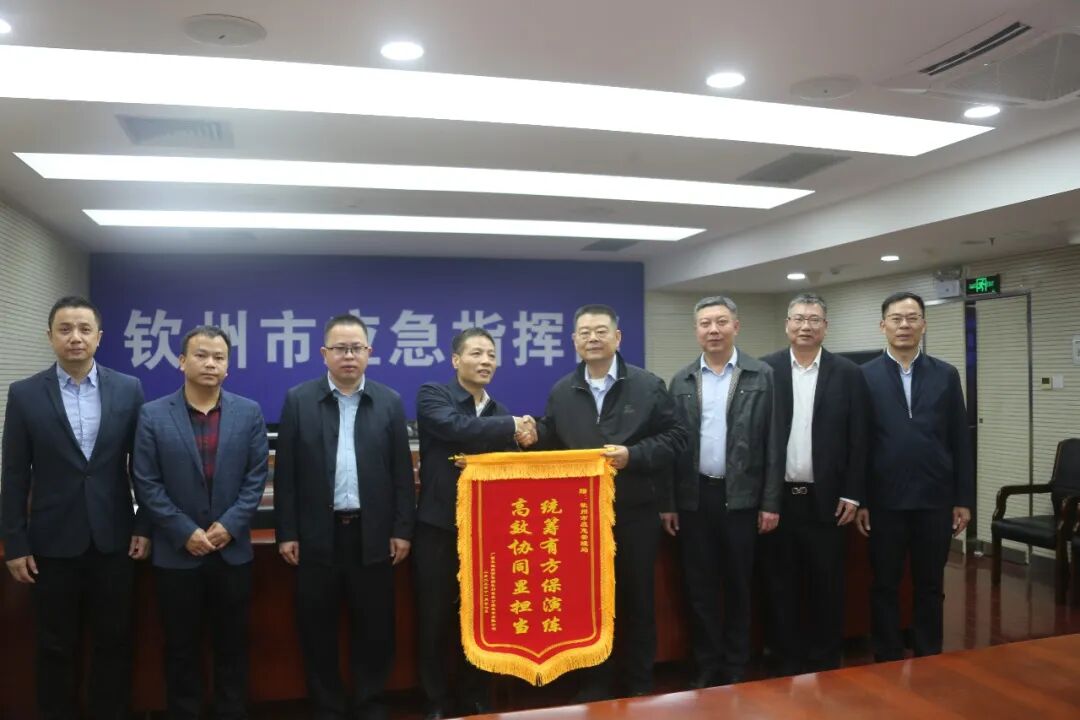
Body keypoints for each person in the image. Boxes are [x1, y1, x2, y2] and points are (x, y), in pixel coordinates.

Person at [1, 295, 150, 719]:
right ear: (49, 336)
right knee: (54, 646)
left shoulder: (128, 389)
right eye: (65, 329)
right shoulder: (25, 394)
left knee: (114, 643)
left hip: (114, 540)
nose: (75, 338)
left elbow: (143, 466)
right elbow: (14, 473)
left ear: (99, 337)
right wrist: (15, 541)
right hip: (51, 543)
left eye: (85, 329)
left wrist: (144, 525)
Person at [533, 303, 686, 700]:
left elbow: (676, 439)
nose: (593, 338)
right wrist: (529, 434)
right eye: (584, 333)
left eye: (601, 331)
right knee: (586, 602)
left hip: (634, 512)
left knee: (637, 599)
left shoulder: (647, 385)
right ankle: (593, 685)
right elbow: (552, 442)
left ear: (617, 337)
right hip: (579, 518)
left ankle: (639, 685)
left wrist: (633, 455)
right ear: (574, 341)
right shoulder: (562, 391)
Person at [273, 313, 416, 720]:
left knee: (375, 628)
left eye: (356, 348)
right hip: (317, 536)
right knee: (317, 629)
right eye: (340, 348)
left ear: (369, 352)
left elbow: (401, 473)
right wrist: (287, 532)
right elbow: (286, 475)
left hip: (372, 536)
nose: (349, 356)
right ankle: (327, 707)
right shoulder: (299, 400)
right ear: (324, 354)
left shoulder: (389, 401)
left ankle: (370, 703)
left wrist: (402, 529)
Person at [133, 325, 268, 719]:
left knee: (233, 646)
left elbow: (256, 477)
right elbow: (146, 481)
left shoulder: (249, 412)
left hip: (231, 553)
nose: (210, 363)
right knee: (181, 649)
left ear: (228, 367)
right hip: (177, 555)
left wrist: (230, 524)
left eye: (219, 357)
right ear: (182, 361)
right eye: (201, 355)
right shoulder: (153, 414)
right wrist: (183, 531)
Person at [413, 327, 536, 720]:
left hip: (487, 532)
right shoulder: (434, 395)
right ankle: (435, 701)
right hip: (438, 528)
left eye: (491, 355)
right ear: (456, 360)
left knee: (482, 618)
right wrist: (512, 426)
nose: (485, 361)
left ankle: (475, 697)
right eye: (476, 353)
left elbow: (511, 466)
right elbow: (455, 428)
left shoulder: (500, 412)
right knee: (433, 619)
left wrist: (526, 438)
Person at [668, 295, 782, 687]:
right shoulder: (682, 380)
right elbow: (673, 446)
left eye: (720, 322)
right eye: (705, 323)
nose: (713, 330)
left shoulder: (761, 375)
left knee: (738, 586)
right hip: (696, 498)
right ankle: (706, 664)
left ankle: (736, 665)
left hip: (743, 499)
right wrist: (670, 502)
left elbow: (773, 443)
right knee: (699, 588)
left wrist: (770, 502)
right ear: (696, 330)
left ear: (736, 325)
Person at [857, 291, 973, 661]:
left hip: (934, 499)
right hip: (883, 500)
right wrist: (860, 499)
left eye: (912, 318)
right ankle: (887, 655)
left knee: (930, 584)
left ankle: (929, 654)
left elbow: (960, 440)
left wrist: (963, 499)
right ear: (883, 325)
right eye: (896, 318)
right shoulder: (863, 376)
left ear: (923, 324)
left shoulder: (945, 375)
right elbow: (858, 444)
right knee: (884, 584)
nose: (904, 325)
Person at [760, 293, 870, 675]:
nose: (805, 326)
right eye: (798, 318)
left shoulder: (848, 373)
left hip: (828, 500)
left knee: (827, 583)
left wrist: (853, 494)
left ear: (826, 326)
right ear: (787, 324)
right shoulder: (765, 370)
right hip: (779, 499)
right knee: (780, 583)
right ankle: (785, 659)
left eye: (814, 319)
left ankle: (825, 659)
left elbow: (859, 438)